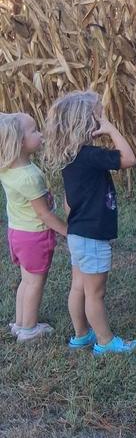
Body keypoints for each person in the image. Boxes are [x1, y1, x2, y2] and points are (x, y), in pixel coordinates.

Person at [43, 91, 136, 355]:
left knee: (79, 287)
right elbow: (129, 159)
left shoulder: (70, 157)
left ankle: (81, 335)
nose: (104, 118)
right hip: (93, 235)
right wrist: (111, 129)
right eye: (100, 115)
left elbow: (69, 203)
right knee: (95, 294)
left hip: (78, 233)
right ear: (88, 122)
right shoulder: (90, 155)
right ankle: (105, 341)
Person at [0, 112, 67, 342]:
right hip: (34, 236)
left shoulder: (7, 167)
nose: (40, 134)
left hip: (17, 233)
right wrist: (68, 230)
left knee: (26, 280)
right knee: (35, 282)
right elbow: (44, 214)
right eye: (35, 131)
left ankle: (19, 323)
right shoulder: (29, 177)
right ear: (20, 143)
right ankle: (29, 329)